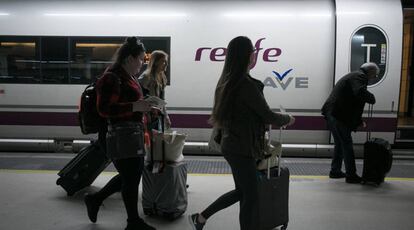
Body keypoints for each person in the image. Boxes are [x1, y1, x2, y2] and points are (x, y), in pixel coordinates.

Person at [188, 36, 295, 230]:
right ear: (247, 55)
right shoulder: (245, 84)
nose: (255, 55)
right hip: (241, 147)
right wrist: (287, 119)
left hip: (236, 144)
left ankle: (201, 218)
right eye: (253, 51)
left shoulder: (230, 80)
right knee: (250, 194)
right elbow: (267, 115)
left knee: (244, 192)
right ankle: (203, 217)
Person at [83, 37, 156, 230]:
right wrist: (135, 106)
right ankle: (133, 222)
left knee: (130, 176)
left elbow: (131, 104)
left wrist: (147, 106)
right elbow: (104, 109)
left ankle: (95, 200)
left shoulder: (128, 76)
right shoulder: (112, 77)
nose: (142, 64)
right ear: (129, 58)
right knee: (131, 177)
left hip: (131, 135)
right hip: (117, 136)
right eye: (141, 59)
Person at [321, 62, 379, 184]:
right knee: (347, 144)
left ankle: (335, 171)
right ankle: (351, 175)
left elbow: (352, 102)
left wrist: (358, 120)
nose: (374, 78)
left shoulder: (354, 76)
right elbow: (359, 92)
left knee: (340, 143)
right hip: (337, 115)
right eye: (375, 75)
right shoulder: (360, 77)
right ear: (370, 72)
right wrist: (371, 98)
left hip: (332, 113)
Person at [138, 50, 171, 129]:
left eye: (166, 62)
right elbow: (139, 96)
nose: (166, 64)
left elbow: (161, 99)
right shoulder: (146, 77)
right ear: (155, 62)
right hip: (148, 116)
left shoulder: (163, 78)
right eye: (163, 61)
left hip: (157, 115)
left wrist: (166, 116)